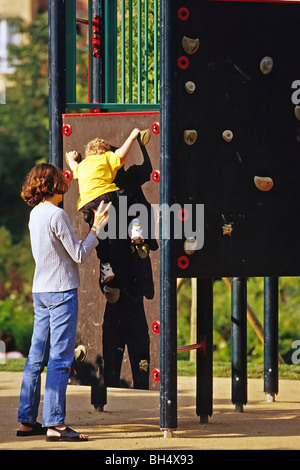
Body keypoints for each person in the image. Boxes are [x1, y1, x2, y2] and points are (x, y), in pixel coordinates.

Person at [17, 163, 110, 442]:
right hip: (61, 293)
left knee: (35, 358)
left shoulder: (35, 215)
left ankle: (26, 421)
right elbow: (79, 255)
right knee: (60, 360)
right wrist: (96, 229)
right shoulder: (57, 215)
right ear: (53, 186)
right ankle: (55, 424)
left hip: (41, 292)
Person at [65, 128, 149, 302]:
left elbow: (74, 167)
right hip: (107, 197)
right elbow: (121, 153)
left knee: (101, 237)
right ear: (103, 151)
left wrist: (70, 160)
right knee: (132, 202)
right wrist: (133, 136)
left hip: (88, 206)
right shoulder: (105, 157)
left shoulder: (82, 166)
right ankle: (135, 228)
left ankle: (106, 266)